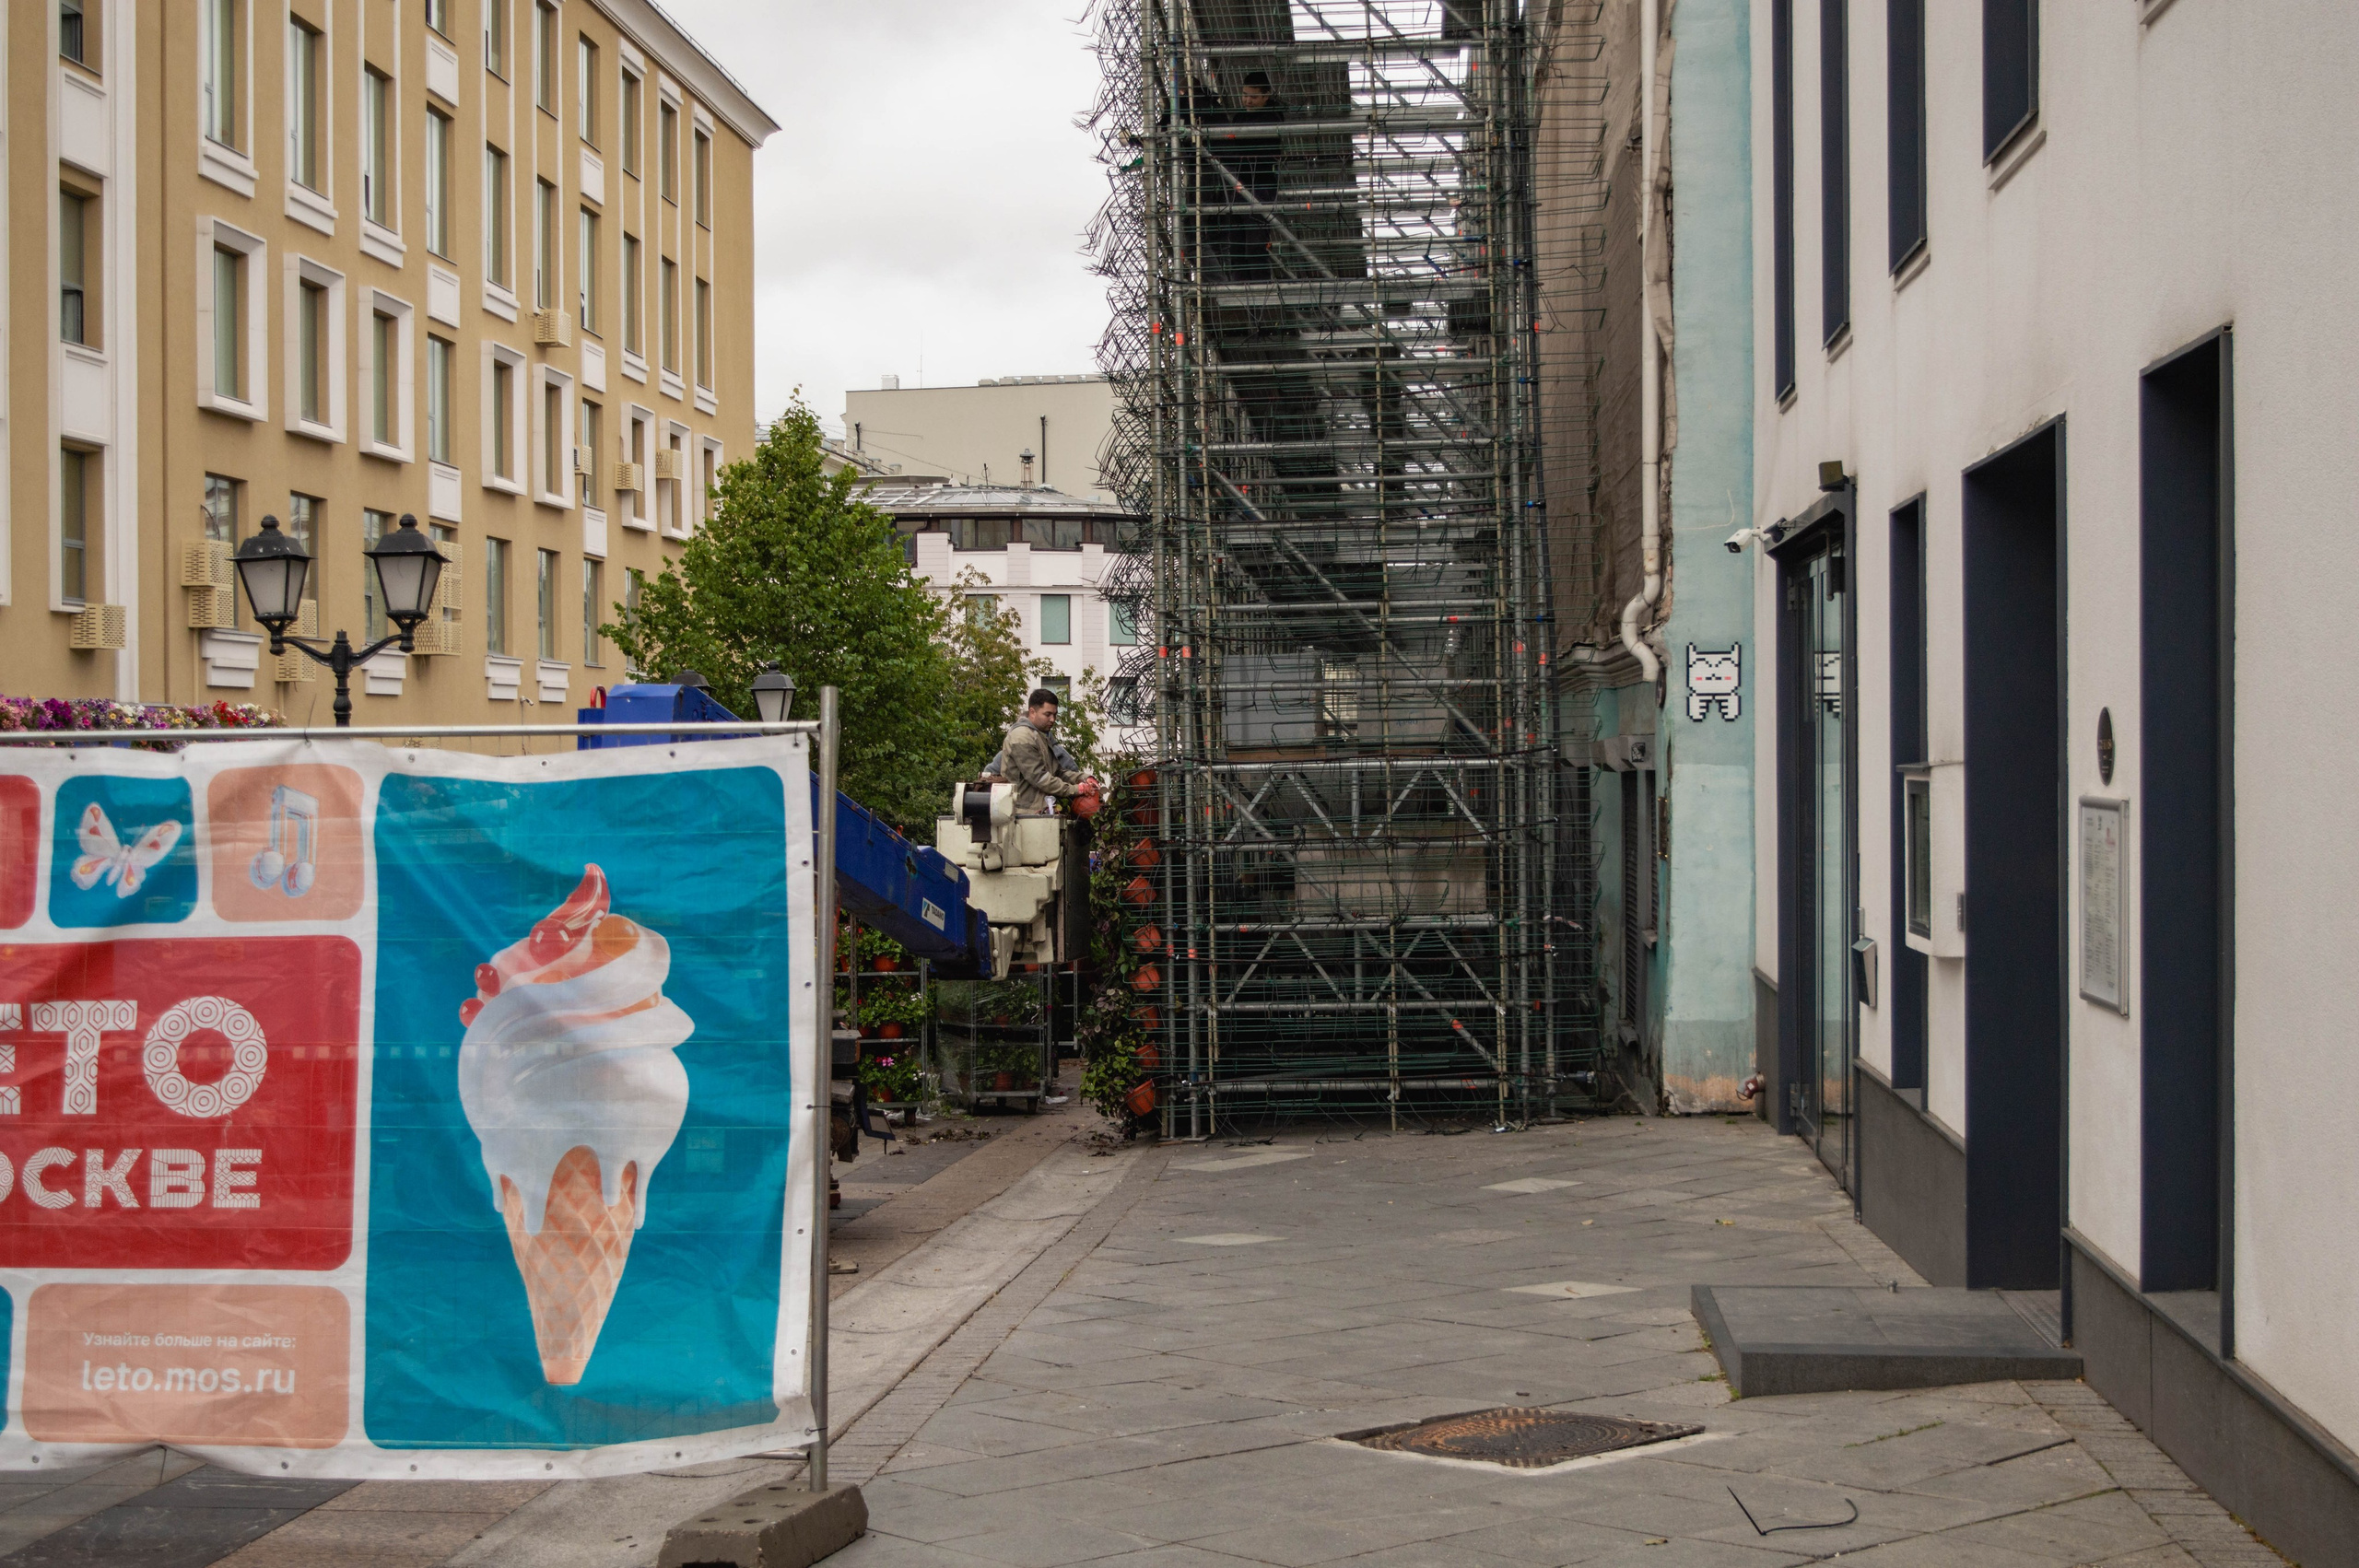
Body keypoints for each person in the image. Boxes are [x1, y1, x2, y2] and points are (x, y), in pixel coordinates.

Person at [997, 688, 1088, 813]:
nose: (1053, 719)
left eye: (1055, 715)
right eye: (1048, 714)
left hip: (1038, 812)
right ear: (1032, 712)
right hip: (1022, 813)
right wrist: (1077, 789)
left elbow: (1057, 772)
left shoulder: (1039, 735)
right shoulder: (1022, 737)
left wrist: (1085, 778)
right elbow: (1040, 778)